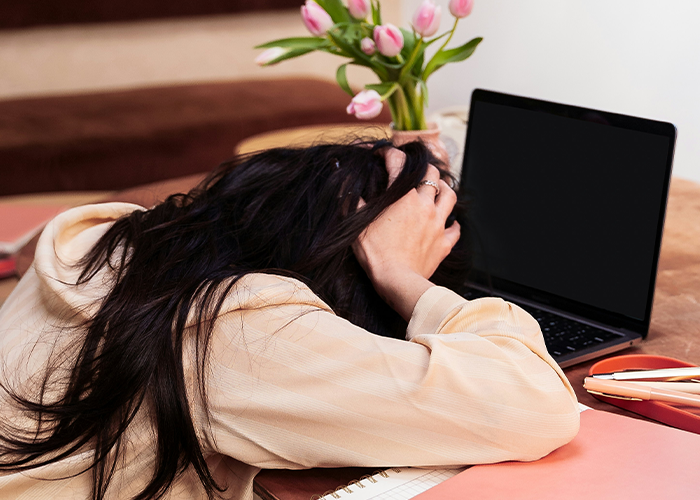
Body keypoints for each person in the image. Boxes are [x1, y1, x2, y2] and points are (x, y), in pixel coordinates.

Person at [0, 140, 580, 500]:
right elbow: (534, 405)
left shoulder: (106, 240)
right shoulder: (242, 328)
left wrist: (351, 177)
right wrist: (403, 275)